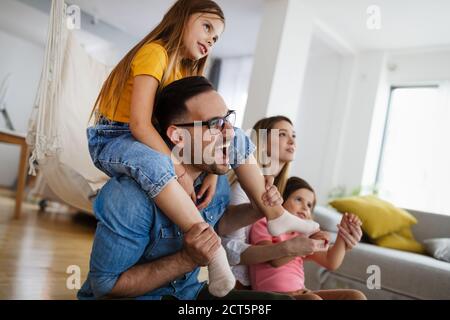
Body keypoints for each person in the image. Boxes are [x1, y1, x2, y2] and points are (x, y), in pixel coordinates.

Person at [87, 0, 318, 297]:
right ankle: (213, 252)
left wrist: (214, 170)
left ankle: (274, 214)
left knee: (239, 138)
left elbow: (221, 219)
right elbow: (141, 126)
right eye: (207, 27)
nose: (211, 38)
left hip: (158, 146)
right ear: (181, 19)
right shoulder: (155, 53)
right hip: (116, 136)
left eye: (216, 36)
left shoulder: (184, 72)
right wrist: (179, 170)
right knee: (157, 165)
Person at [78, 76, 296, 300]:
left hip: (188, 295)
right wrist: (187, 259)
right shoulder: (129, 197)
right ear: (178, 136)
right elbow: (106, 286)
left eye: (228, 119)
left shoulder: (213, 178)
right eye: (215, 124)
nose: (229, 132)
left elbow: (218, 224)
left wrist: (257, 209)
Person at [221, 116, 363, 290]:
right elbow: (229, 251)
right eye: (282, 134)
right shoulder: (241, 189)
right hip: (238, 287)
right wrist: (288, 248)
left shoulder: (279, 193)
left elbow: (326, 257)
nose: (292, 140)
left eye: (294, 135)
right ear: (262, 142)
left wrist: (344, 239)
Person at [249, 177, 367, 300]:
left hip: (302, 293)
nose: (305, 207)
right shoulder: (265, 224)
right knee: (313, 299)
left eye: (309, 205)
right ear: (281, 201)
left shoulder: (301, 234)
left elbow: (331, 261)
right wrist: (306, 243)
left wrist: (343, 234)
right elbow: (274, 261)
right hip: (274, 296)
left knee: (356, 296)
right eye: (299, 200)